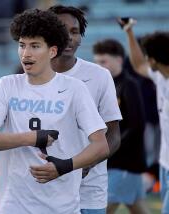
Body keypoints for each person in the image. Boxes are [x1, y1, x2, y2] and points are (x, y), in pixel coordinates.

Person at [0, 8, 110, 214]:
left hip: (62, 206)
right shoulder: (7, 85)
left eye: (35, 46)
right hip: (14, 205)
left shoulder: (74, 89)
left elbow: (101, 146)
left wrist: (64, 166)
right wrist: (31, 138)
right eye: (22, 45)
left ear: (52, 51)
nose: (26, 53)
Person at [48, 5, 122, 214]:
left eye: (74, 32)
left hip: (89, 193)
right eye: (63, 31)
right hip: (45, 191)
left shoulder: (100, 76)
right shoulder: (29, 77)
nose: (69, 38)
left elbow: (114, 135)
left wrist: (85, 164)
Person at [93, 39, 150, 214]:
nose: (99, 67)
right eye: (97, 62)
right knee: (137, 207)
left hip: (125, 162)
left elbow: (136, 125)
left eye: (104, 62)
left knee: (103, 208)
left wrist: (108, 148)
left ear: (119, 60)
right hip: (116, 161)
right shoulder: (106, 85)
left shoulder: (129, 85)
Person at [120, 18, 169, 214]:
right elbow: (139, 64)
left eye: (148, 55)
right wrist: (129, 32)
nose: (146, 59)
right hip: (165, 163)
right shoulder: (160, 76)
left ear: (155, 59)